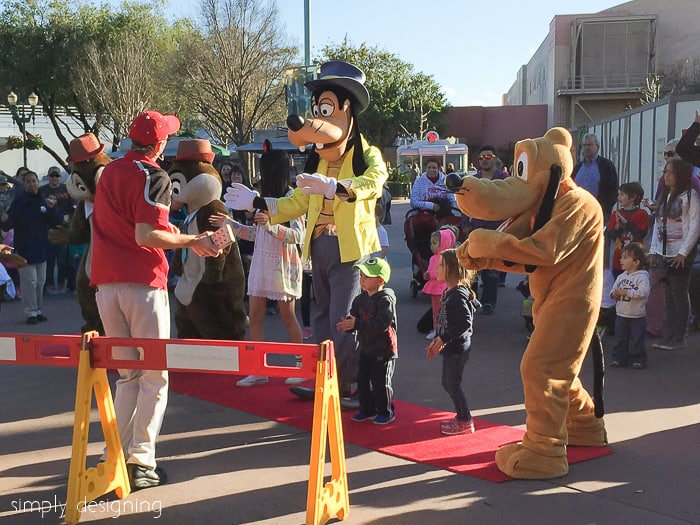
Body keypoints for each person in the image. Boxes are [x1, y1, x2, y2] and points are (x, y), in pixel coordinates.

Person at [225, 60, 388, 407]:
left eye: (326, 109)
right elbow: (295, 202)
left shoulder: (365, 156)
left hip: (351, 251)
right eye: (317, 110)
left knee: (342, 319)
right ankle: (324, 380)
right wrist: (257, 200)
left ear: (347, 112)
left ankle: (351, 386)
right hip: (319, 248)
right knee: (320, 319)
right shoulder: (316, 163)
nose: (317, 118)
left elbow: (373, 183)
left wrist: (337, 188)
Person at [91, 110, 219, 490]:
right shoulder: (154, 175)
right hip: (142, 283)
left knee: (127, 375)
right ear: (160, 144)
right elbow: (148, 235)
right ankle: (141, 460)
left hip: (106, 283)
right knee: (154, 376)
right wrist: (193, 241)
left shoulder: (110, 171)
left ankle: (114, 451)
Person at [214, 146, 306, 387]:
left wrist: (271, 225)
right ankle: (258, 368)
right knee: (254, 315)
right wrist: (230, 224)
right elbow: (256, 234)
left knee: (288, 316)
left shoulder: (292, 198)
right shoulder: (259, 199)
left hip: (283, 263)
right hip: (261, 262)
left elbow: (298, 235)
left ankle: (301, 364)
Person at [425, 248, 480, 436]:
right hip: (452, 346)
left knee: (452, 384)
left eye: (441, 266)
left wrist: (442, 338)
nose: (437, 269)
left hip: (457, 348)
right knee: (448, 383)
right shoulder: (452, 291)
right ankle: (461, 417)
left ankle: (465, 421)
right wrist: (439, 339)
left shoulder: (457, 294)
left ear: (451, 270)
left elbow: (465, 321)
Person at [337, 256, 397, 425]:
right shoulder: (360, 299)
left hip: (383, 349)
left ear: (381, 280)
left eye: (367, 276)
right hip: (366, 347)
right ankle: (367, 409)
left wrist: (356, 323)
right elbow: (354, 317)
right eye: (361, 275)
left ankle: (386, 411)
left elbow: (381, 324)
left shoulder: (386, 300)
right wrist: (348, 325)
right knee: (362, 380)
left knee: (380, 382)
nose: (362, 279)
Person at [648, 158, 700, 350]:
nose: (666, 175)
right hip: (664, 251)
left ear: (681, 174)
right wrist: (653, 250)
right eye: (665, 172)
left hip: (681, 253)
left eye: (670, 172)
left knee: (679, 293)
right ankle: (669, 334)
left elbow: (695, 227)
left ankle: (680, 336)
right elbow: (658, 223)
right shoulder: (665, 195)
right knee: (668, 294)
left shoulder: (690, 196)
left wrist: (683, 253)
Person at [0, 170, 62, 324]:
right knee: (29, 283)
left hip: (41, 247)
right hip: (25, 249)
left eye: (34, 181)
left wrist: (52, 208)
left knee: (40, 283)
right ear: (25, 184)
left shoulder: (44, 200)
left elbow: (55, 221)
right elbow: (9, 223)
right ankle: (30, 313)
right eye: (28, 181)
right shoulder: (20, 201)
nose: (32, 184)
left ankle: (39, 310)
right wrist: (4, 220)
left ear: (37, 182)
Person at [468, 146, 509, 315]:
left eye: (487, 156)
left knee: (491, 269)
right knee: (474, 268)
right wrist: (465, 222)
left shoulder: (503, 179)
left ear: (494, 158)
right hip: (476, 228)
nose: (484, 160)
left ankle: (489, 302)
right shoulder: (474, 180)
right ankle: (472, 299)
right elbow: (465, 202)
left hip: (496, 228)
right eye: (481, 158)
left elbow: (510, 201)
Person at [609, 242, 651, 369]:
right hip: (621, 313)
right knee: (620, 338)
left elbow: (643, 292)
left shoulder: (642, 277)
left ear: (636, 262)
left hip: (637, 315)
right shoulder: (621, 277)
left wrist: (627, 292)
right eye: (621, 257)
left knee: (636, 339)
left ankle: (637, 358)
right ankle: (619, 358)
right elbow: (613, 290)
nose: (621, 260)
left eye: (625, 257)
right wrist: (614, 294)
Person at [39, 166, 75, 294]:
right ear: (48, 177)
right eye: (52, 175)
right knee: (49, 260)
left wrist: (68, 217)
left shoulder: (66, 189)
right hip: (48, 230)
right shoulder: (42, 191)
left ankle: (61, 283)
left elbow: (74, 207)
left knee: (62, 260)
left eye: (56, 176)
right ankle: (48, 284)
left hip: (63, 229)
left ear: (60, 177)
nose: (54, 178)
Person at [606, 182, 649, 279]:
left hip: (635, 259)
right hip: (619, 259)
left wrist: (626, 223)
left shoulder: (642, 214)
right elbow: (611, 235)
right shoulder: (616, 214)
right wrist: (617, 228)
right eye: (619, 194)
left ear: (633, 197)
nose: (619, 197)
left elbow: (640, 234)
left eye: (622, 194)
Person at [572, 133, 619, 221]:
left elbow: (613, 191)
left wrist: (604, 209)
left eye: (589, 145)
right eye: (584, 145)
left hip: (598, 213)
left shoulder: (606, 166)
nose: (586, 148)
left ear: (597, 147)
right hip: (577, 212)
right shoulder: (577, 168)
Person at [422, 228, 456, 340]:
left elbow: (443, 273)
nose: (432, 246)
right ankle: (437, 329)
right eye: (431, 243)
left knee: (444, 310)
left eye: (435, 243)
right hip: (434, 287)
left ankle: (445, 330)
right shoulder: (433, 258)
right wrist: (427, 274)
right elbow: (432, 270)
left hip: (443, 288)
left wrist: (430, 274)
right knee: (436, 310)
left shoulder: (447, 258)